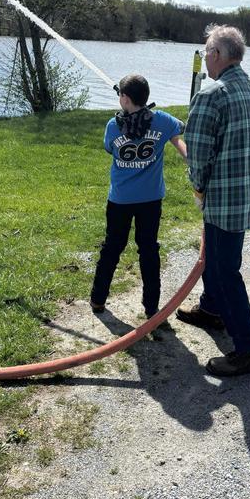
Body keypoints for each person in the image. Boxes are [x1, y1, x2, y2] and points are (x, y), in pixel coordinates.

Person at [178, 25, 250, 377]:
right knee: (219, 258)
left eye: (206, 51)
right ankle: (212, 309)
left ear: (217, 55)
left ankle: (248, 348)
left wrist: (199, 190)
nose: (204, 57)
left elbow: (198, 155)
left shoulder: (211, 94)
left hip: (225, 197)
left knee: (222, 268)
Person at [90, 74, 187, 320]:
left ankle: (98, 300)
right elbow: (179, 136)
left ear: (125, 98)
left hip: (120, 200)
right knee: (148, 249)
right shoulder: (163, 121)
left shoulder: (113, 126)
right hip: (150, 201)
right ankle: (152, 308)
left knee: (112, 246)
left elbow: (109, 147)